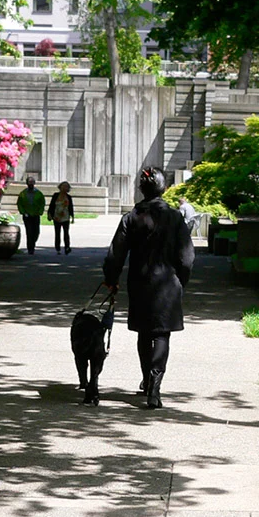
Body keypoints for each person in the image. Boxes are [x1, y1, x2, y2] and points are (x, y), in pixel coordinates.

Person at [103, 167, 195, 409]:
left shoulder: (131, 218)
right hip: (168, 284)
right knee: (162, 334)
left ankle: (147, 378)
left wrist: (111, 279)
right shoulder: (175, 218)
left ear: (141, 189)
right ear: (164, 189)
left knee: (144, 333)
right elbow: (187, 258)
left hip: (140, 283)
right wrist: (181, 281)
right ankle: (155, 385)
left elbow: (116, 253)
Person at [16, 177, 46, 254]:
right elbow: (19, 203)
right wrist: (23, 212)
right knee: (29, 232)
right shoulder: (23, 194)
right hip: (27, 215)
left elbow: (42, 203)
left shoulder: (39, 193)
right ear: (27, 183)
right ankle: (30, 248)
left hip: (36, 214)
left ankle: (33, 242)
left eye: (32, 182)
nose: (31, 183)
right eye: (29, 182)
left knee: (36, 231)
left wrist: (40, 211)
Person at [47, 181, 74, 255]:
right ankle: (58, 248)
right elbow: (51, 205)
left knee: (66, 233)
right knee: (57, 233)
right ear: (60, 187)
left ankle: (67, 247)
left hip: (65, 216)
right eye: (63, 186)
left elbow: (71, 207)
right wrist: (49, 214)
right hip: (57, 217)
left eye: (66, 186)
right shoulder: (55, 195)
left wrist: (72, 217)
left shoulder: (68, 197)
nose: (65, 188)